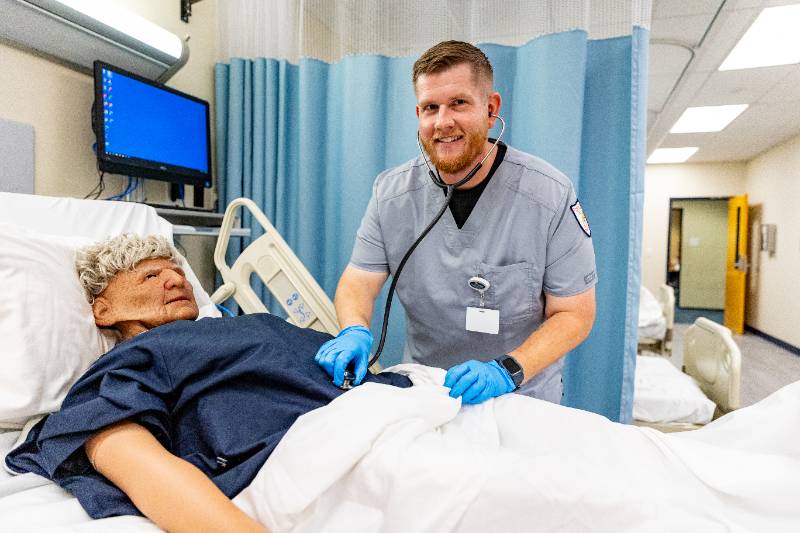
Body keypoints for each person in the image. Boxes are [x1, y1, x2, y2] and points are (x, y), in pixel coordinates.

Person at [5, 234, 411, 533]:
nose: (176, 281)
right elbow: (126, 453)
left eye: (176, 271)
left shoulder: (239, 326)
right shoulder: (135, 359)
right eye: (150, 275)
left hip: (397, 410)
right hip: (335, 455)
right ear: (104, 310)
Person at [316, 40, 597, 405]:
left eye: (459, 103)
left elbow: (574, 313)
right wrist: (354, 329)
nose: (443, 121)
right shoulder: (391, 195)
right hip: (427, 393)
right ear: (419, 114)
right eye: (431, 107)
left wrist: (506, 371)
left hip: (521, 395)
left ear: (491, 109)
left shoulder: (549, 195)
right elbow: (358, 282)